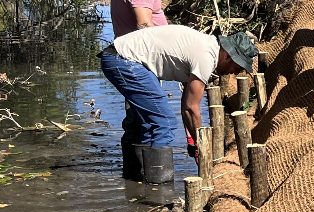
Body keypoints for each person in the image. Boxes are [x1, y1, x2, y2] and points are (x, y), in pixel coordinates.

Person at [99, 26, 257, 184]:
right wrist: (202, 145)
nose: (235, 72)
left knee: (144, 122)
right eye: (238, 67)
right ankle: (159, 189)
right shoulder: (206, 58)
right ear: (228, 55)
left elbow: (187, 104)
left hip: (120, 57)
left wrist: (192, 140)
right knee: (163, 122)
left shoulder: (206, 46)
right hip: (124, 61)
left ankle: (133, 181)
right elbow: (191, 107)